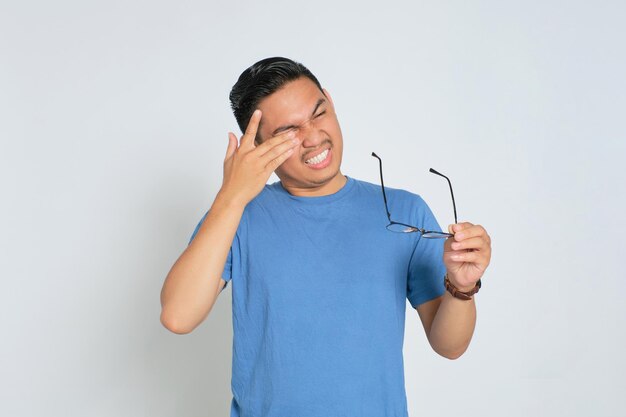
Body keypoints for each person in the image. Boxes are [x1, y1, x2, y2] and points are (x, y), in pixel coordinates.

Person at [160, 57, 492, 417]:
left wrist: (462, 287)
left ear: (331, 103)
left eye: (318, 113)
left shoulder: (404, 212)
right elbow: (178, 316)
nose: (313, 137)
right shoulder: (237, 217)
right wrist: (231, 197)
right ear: (257, 148)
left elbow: (450, 346)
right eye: (288, 132)